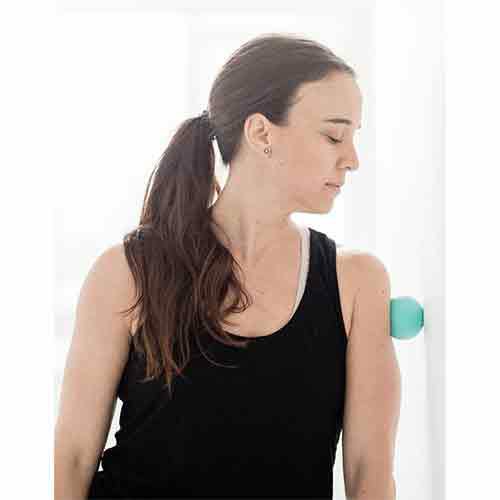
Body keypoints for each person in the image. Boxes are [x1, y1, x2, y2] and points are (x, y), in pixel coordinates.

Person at [54, 32, 400, 499]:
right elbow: (74, 456)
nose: (352, 159)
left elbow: (369, 473)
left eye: (354, 137)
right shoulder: (125, 272)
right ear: (261, 134)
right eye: (334, 135)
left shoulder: (357, 283)